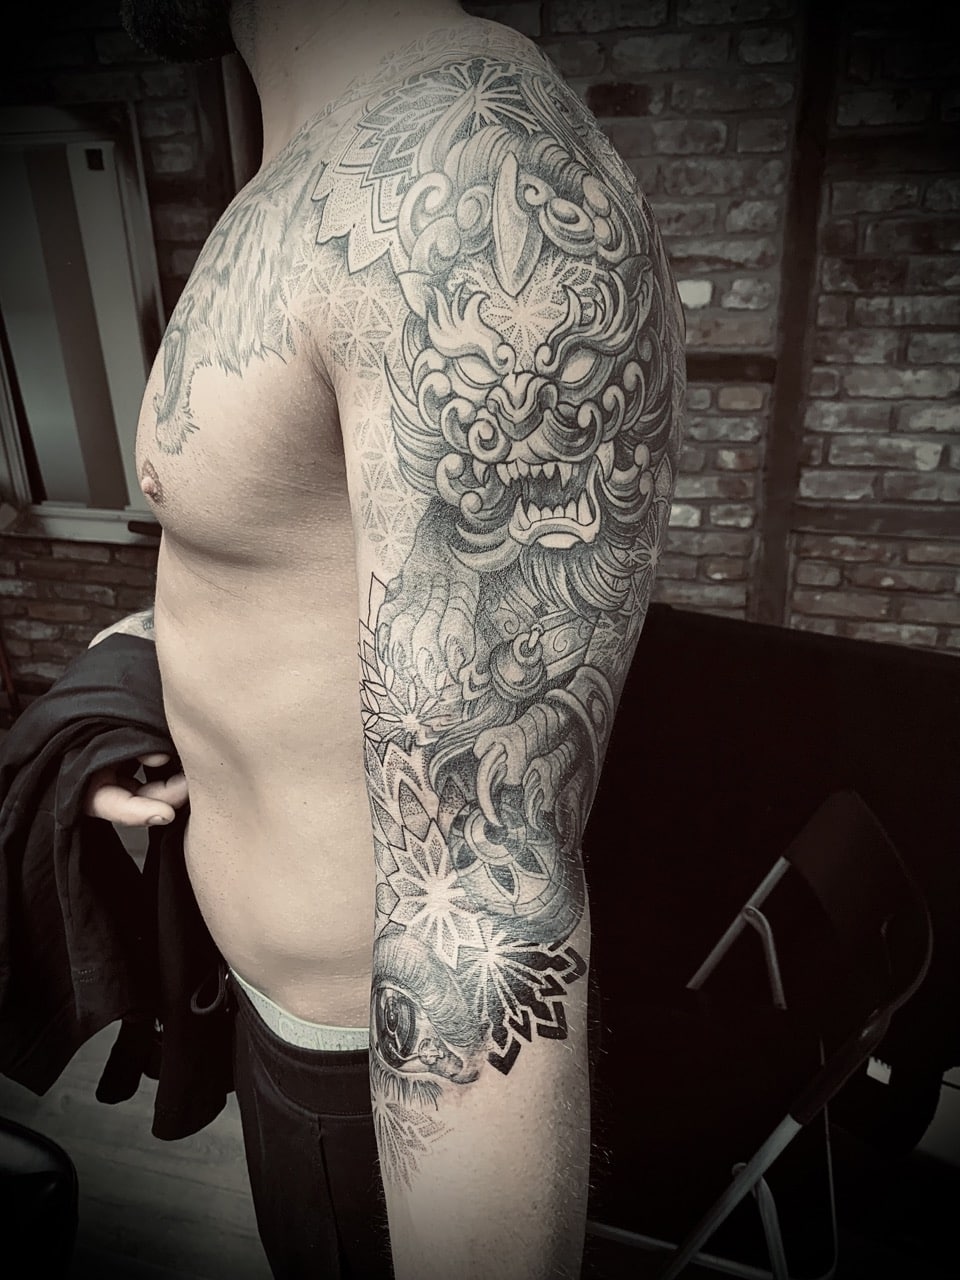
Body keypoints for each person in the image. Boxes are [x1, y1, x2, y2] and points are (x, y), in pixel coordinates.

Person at [83, 1, 687, 1276]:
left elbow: (485, 892)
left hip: (390, 1089)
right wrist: (132, 677)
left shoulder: (461, 180)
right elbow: (281, 564)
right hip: (276, 1028)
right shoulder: (305, 151)